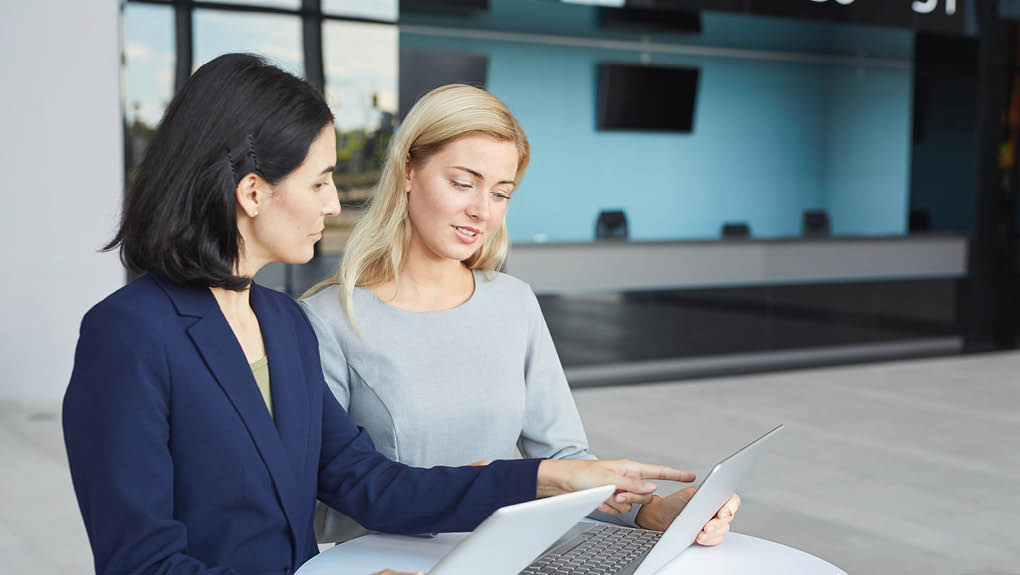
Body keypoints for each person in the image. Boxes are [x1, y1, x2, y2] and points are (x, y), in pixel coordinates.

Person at [61, 54, 692, 575]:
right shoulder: (129, 333)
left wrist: (544, 478)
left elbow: (369, 484)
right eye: (319, 182)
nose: (335, 204)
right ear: (253, 192)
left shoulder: (281, 324)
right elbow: (142, 562)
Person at [301, 83, 740, 547]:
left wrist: (651, 514)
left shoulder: (513, 302)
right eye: (463, 183)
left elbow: (564, 462)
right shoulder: (326, 319)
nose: (481, 211)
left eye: (501, 193)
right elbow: (326, 494)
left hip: (496, 558)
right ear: (409, 169)